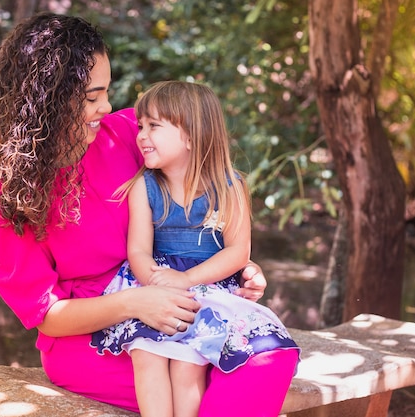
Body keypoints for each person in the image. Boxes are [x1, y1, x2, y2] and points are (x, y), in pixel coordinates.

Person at [0, 12, 299, 416]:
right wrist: (137, 303)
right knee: (197, 373)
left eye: (106, 92)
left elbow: (194, 204)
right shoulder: (5, 201)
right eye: (91, 97)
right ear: (45, 103)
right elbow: (47, 314)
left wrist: (231, 265)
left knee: (267, 356)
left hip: (176, 296)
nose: (105, 106)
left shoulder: (128, 134)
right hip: (92, 334)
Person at [91, 81, 300, 417]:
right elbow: (139, 251)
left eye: (154, 126)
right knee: (147, 355)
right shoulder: (143, 187)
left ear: (191, 135)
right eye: (141, 126)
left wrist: (185, 279)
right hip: (153, 285)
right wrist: (158, 283)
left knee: (187, 364)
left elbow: (237, 252)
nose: (141, 135)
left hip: (205, 285)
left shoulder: (230, 186)